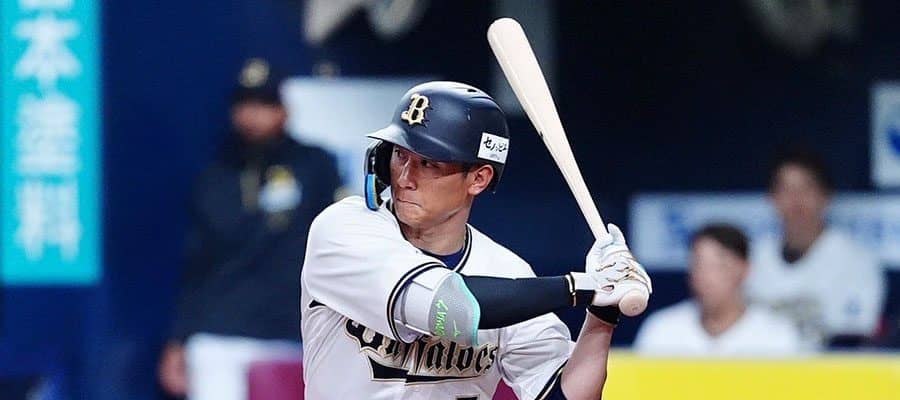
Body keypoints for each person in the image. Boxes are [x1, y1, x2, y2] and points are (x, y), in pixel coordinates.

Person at [300, 81, 652, 399]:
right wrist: (583, 286)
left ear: (478, 179)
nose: (405, 177)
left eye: (429, 164)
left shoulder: (508, 273)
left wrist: (603, 309)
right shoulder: (345, 228)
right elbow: (450, 309)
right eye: (400, 155)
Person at [158, 58, 341, 400]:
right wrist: (179, 339)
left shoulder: (315, 167)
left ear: (284, 110)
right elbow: (197, 264)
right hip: (220, 333)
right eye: (245, 104)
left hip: (292, 333)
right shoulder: (216, 175)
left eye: (265, 104)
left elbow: (339, 251)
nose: (253, 115)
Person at [745, 147, 886, 349]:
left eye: (806, 188)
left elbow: (852, 339)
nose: (796, 200)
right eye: (786, 189)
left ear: (826, 196)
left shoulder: (856, 261)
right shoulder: (752, 258)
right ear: (771, 198)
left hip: (826, 367)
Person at [634, 224, 803, 356]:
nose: (707, 276)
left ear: (744, 269)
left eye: (719, 266)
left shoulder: (777, 335)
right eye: (699, 264)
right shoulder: (661, 330)